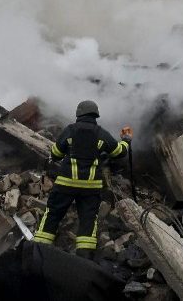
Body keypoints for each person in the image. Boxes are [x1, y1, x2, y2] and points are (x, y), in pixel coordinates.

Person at [33, 100, 130, 258]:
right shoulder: (101, 133)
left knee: (53, 214)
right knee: (88, 219)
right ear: (95, 115)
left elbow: (56, 154)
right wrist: (126, 140)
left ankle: (38, 251)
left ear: (79, 114)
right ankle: (84, 257)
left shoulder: (70, 130)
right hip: (90, 187)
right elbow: (119, 152)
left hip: (66, 184)